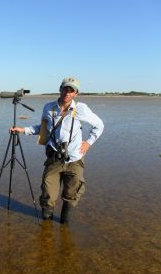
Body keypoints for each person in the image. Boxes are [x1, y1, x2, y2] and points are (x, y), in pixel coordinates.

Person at [10, 77, 104, 224]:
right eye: (65, 88)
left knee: (71, 194)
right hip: (54, 157)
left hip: (75, 159)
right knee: (48, 193)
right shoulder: (49, 107)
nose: (67, 92)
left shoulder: (81, 109)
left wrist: (88, 142)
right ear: (60, 89)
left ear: (76, 94)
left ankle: (64, 223)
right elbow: (42, 129)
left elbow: (99, 125)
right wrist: (22, 130)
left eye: (71, 90)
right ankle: (46, 227)